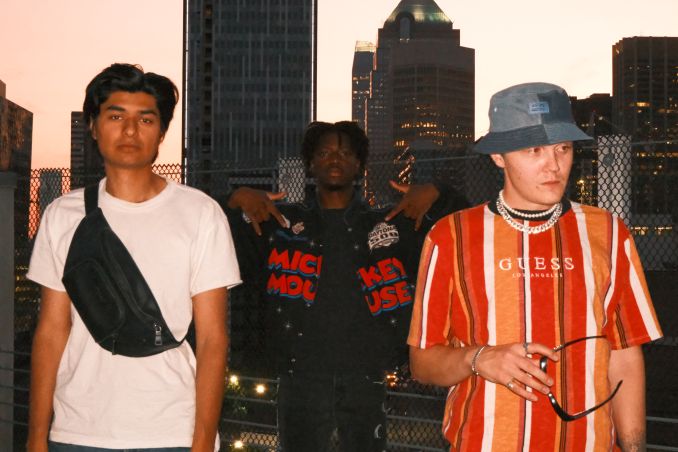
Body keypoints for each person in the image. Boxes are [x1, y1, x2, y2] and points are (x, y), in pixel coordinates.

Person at [407, 82, 663, 451]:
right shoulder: (450, 236)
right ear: (499, 157)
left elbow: (624, 354)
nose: (554, 165)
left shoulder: (608, 232)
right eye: (534, 150)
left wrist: (635, 449)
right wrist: (478, 358)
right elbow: (422, 362)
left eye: (563, 148)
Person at [26, 63, 241, 452]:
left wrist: (201, 443)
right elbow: (52, 331)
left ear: (161, 133)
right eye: (115, 116)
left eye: (145, 119)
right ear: (93, 127)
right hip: (76, 431)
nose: (129, 130)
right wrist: (36, 438)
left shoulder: (200, 214)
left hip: (171, 433)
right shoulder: (62, 215)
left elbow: (213, 339)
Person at [222, 120, 468, 451]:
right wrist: (235, 198)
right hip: (300, 375)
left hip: (366, 375)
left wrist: (439, 192)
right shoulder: (281, 224)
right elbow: (211, 231)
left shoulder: (389, 223)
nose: (335, 159)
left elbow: (466, 222)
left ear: (359, 165)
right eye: (324, 152)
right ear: (311, 164)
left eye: (345, 153)